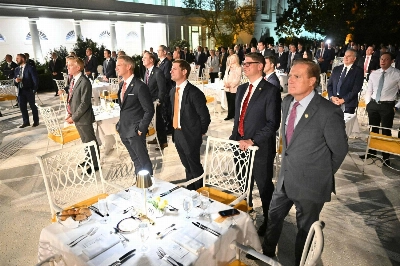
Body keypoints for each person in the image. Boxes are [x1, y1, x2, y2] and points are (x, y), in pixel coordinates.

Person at [249, 59, 348, 265]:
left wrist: (320, 175)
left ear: (312, 81)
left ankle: (298, 262)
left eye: (297, 76)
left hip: (311, 185)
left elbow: (339, 150)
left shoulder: (328, 112)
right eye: (290, 75)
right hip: (286, 178)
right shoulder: (287, 102)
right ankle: (266, 251)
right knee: (273, 218)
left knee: (305, 231)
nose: (290, 80)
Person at [229, 52, 281, 236]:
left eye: (249, 63)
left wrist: (253, 140)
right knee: (244, 185)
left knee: (264, 186)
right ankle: (246, 214)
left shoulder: (271, 90)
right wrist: (234, 138)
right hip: (239, 146)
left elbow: (272, 123)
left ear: (260, 66)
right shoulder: (242, 89)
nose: (245, 66)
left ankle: (269, 221)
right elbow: (238, 118)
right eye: (244, 63)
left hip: (260, 148)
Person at [170, 59, 211, 190]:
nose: (171, 71)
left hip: (190, 134)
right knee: (187, 166)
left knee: (194, 166)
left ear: (184, 71)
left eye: (175, 68)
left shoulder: (194, 92)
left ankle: (201, 192)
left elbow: (205, 116)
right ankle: (191, 191)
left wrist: (198, 132)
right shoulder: (173, 92)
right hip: (177, 133)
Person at [116, 55, 155, 175]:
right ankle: (140, 184)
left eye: (119, 65)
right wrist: (119, 125)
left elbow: (149, 110)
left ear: (128, 67)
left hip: (135, 131)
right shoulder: (121, 85)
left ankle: (149, 186)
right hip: (124, 130)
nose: (116, 68)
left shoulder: (140, 86)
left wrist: (141, 128)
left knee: (143, 161)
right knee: (136, 161)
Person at [62, 57, 99, 173]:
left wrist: (74, 117)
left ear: (78, 68)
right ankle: (89, 159)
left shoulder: (84, 81)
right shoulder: (74, 80)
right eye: (67, 65)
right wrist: (70, 113)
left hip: (84, 117)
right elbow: (72, 98)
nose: (67, 67)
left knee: (90, 140)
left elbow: (84, 103)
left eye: (70, 65)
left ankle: (95, 164)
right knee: (85, 140)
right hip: (78, 117)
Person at [362, 52, 400, 167]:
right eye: (381, 59)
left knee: (385, 131)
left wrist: (396, 106)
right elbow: (369, 89)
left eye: (386, 59)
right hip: (373, 104)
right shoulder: (375, 74)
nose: (383, 61)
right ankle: (372, 152)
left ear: (392, 61)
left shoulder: (397, 74)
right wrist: (368, 103)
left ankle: (385, 156)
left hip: (387, 106)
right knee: (373, 130)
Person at [142, 51, 168, 151]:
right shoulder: (147, 72)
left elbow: (162, 89)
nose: (143, 59)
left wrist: (159, 101)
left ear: (151, 60)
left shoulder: (158, 72)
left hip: (156, 102)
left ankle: (163, 141)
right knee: (154, 122)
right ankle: (156, 138)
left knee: (159, 121)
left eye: (145, 57)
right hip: (149, 102)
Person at [327, 49, 364, 114]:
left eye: (349, 56)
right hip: (333, 102)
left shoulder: (358, 71)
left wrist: (343, 100)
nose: (346, 57)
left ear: (354, 58)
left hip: (348, 104)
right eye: (345, 55)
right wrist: (332, 97)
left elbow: (356, 89)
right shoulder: (336, 69)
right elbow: (330, 85)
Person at [14, 53, 39, 128]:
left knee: (32, 106)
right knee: (22, 106)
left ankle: (36, 121)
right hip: (20, 90)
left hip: (29, 90)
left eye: (18, 58)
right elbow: (14, 80)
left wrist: (34, 90)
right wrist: (16, 81)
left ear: (23, 59)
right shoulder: (17, 69)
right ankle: (26, 122)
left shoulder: (30, 68)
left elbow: (35, 80)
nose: (16, 60)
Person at [157, 45, 173, 134]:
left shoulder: (167, 63)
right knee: (163, 109)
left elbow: (167, 76)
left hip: (166, 89)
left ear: (164, 52)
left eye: (159, 51)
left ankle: (169, 127)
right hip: (161, 89)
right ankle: (165, 125)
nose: (158, 52)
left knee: (166, 108)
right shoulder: (160, 63)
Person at [223, 54, 241, 120]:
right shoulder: (228, 67)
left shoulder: (238, 67)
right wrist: (225, 83)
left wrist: (231, 85)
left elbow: (237, 79)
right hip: (227, 87)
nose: (231, 60)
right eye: (231, 59)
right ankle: (229, 115)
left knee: (234, 102)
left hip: (234, 87)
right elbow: (225, 76)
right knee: (229, 101)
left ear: (236, 59)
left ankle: (235, 115)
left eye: (233, 58)